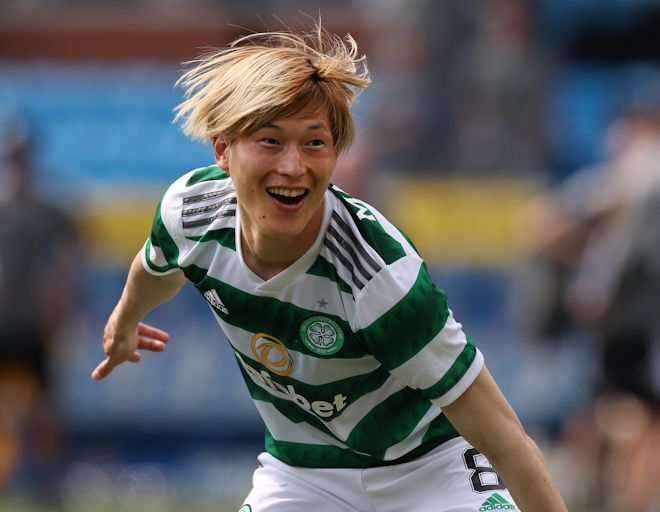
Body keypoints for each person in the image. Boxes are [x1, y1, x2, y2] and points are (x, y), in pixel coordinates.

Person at [91, 24, 567, 511]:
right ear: (222, 150)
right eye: (270, 141)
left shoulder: (379, 278)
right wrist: (124, 323)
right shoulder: (190, 213)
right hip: (303, 474)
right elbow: (155, 269)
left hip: (429, 466)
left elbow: (507, 442)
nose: (293, 166)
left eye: (314, 143)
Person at [0, 108, 78, 497]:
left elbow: (69, 262)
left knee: (44, 407)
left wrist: (57, 312)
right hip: (4, 320)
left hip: (31, 323)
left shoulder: (47, 209)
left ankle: (48, 483)